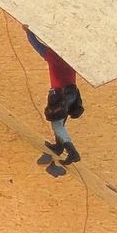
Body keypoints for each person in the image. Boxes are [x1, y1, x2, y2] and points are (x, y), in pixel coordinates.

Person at [26, 27, 83, 164]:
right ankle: (58, 146)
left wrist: (28, 31)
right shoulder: (71, 57)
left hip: (60, 94)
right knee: (61, 119)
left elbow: (36, 44)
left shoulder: (52, 55)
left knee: (57, 124)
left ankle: (72, 152)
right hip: (72, 93)